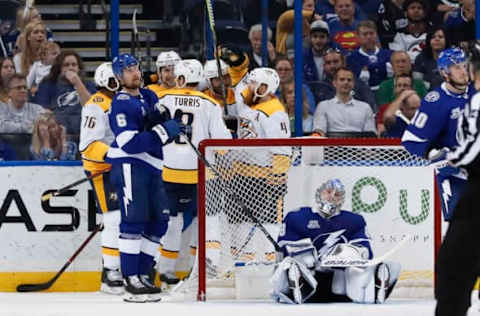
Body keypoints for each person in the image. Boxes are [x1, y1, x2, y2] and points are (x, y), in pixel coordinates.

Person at [105, 53, 184, 302]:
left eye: (136, 67)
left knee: (159, 223)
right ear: (118, 77)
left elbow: (158, 124)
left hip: (154, 165)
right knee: (134, 221)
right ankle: (131, 278)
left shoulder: (149, 96)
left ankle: (144, 274)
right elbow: (129, 143)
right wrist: (163, 131)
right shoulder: (120, 103)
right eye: (127, 70)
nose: (134, 73)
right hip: (130, 165)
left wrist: (164, 124)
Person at [154, 59, 231, 286]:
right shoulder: (209, 103)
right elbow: (224, 146)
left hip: (169, 173)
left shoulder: (162, 100)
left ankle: (165, 271)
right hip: (203, 175)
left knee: (172, 222)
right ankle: (205, 268)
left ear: (179, 78)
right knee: (209, 220)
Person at [271, 178, 400, 304]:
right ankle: (295, 287)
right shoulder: (297, 217)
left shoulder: (354, 221)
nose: (332, 197)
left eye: (337, 195)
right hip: (309, 277)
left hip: (338, 285)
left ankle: (374, 289)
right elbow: (284, 248)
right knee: (292, 264)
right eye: (328, 192)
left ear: (341, 199)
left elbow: (365, 252)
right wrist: (311, 259)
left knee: (357, 269)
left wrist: (346, 255)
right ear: (319, 193)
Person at [402, 47, 473, 222]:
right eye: (457, 67)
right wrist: (435, 155)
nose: (463, 71)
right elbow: (411, 140)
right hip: (456, 176)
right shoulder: (436, 101)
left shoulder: (476, 92)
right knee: (461, 230)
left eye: (465, 66)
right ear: (444, 72)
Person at [435, 40, 480, 316]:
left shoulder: (477, 100)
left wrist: (452, 158)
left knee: (453, 268)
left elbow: (475, 146)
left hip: (478, 192)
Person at [79, 62, 123, 295]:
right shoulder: (96, 105)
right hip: (102, 169)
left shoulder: (123, 101)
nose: (120, 81)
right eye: (116, 77)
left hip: (121, 167)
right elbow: (87, 145)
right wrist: (113, 154)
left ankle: (121, 268)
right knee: (113, 217)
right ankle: (110, 272)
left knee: (127, 218)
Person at [34, 50, 96, 135]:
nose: (71, 68)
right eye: (66, 65)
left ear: (79, 68)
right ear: (59, 68)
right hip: (57, 131)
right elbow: (43, 110)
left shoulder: (88, 85)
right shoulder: (48, 84)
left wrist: (77, 83)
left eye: (74, 65)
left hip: (85, 131)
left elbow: (92, 108)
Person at [313, 67, 376, 136]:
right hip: (331, 145)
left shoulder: (365, 107)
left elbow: (370, 135)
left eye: (349, 80)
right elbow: (319, 131)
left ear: (353, 84)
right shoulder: (323, 106)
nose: (346, 82)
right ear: (334, 83)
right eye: (342, 79)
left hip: (358, 146)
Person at [347, 20, 392, 91]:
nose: (369, 37)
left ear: (376, 35)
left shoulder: (389, 55)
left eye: (371, 33)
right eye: (365, 34)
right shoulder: (351, 58)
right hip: (362, 95)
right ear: (358, 37)